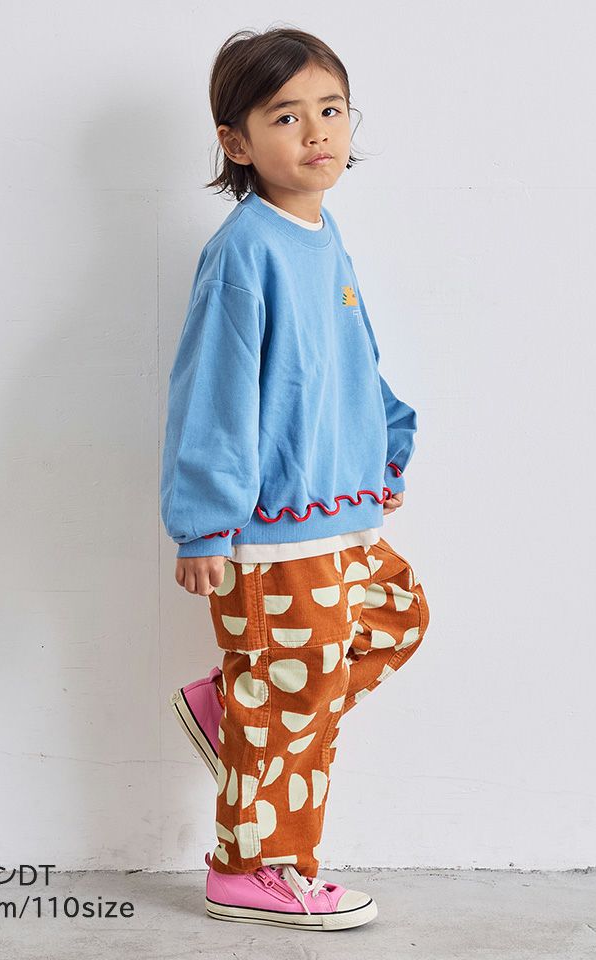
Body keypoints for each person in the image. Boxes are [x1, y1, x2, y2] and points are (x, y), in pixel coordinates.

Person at [161, 26, 431, 931]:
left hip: (339, 512)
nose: (317, 131)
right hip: (272, 531)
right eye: (286, 117)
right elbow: (213, 391)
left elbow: (352, 360)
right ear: (236, 144)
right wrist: (204, 521)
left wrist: (385, 447)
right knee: (295, 697)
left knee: (396, 619)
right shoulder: (244, 252)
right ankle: (254, 868)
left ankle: (240, 707)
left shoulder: (321, 234)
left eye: (331, 110)